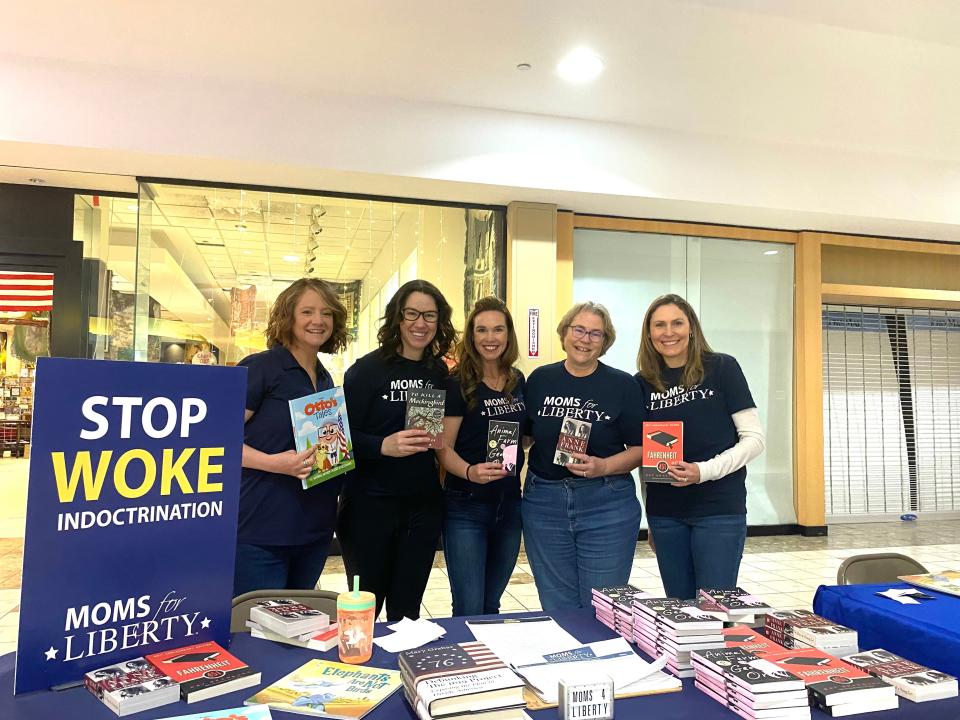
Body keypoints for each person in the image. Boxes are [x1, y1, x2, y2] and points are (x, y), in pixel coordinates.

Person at [337, 279, 457, 620]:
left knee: (407, 613)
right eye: (412, 314)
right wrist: (382, 445)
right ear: (397, 318)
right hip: (368, 506)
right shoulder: (366, 370)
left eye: (430, 316)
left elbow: (437, 435)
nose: (421, 324)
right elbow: (336, 437)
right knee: (366, 610)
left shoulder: (437, 371)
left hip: (422, 507)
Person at [635, 294, 765, 599]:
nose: (669, 332)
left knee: (716, 609)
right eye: (660, 325)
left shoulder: (722, 368)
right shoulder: (642, 382)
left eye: (677, 323)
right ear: (649, 333)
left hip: (718, 510)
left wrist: (703, 471)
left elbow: (754, 439)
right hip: (666, 515)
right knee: (680, 613)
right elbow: (646, 457)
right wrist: (650, 517)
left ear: (691, 327)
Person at [523, 301, 646, 610]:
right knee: (556, 604)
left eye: (596, 334)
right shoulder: (539, 380)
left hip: (606, 503)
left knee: (602, 606)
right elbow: (524, 435)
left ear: (605, 342)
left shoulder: (623, 385)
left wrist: (604, 465)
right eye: (579, 329)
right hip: (544, 503)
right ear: (565, 333)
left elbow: (641, 448)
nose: (585, 339)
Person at [234, 278, 349, 596]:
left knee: (297, 633)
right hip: (261, 532)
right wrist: (274, 463)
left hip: (313, 532)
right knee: (257, 635)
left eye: (327, 313)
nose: (318, 321)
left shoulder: (325, 377)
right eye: (307, 311)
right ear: (288, 317)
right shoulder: (261, 368)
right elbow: (217, 440)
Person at [437, 296, 526, 616]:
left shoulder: (517, 380)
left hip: (509, 503)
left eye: (498, 330)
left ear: (508, 334)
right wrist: (471, 471)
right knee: (469, 605)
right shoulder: (457, 382)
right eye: (482, 330)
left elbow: (523, 435)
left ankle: (490, 663)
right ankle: (466, 664)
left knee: (491, 604)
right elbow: (442, 447)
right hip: (466, 504)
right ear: (472, 337)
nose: (490, 338)